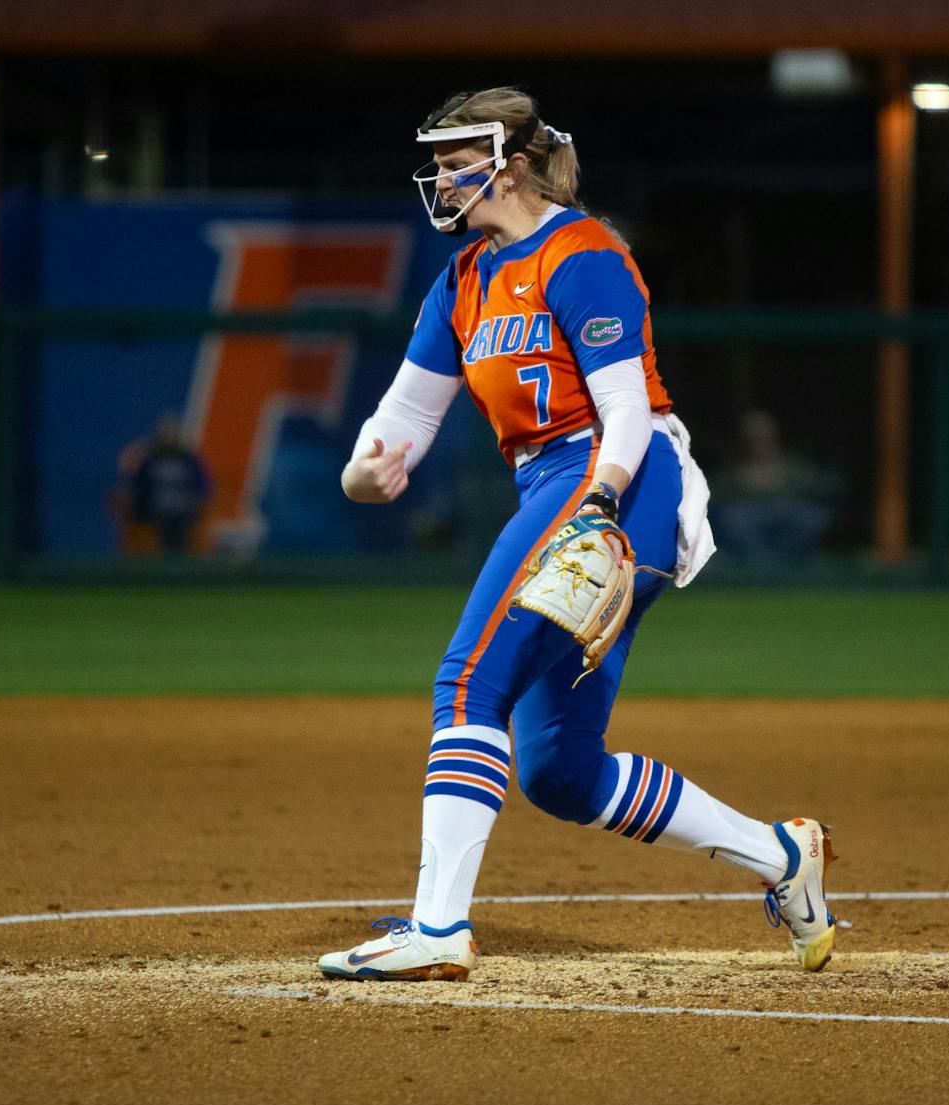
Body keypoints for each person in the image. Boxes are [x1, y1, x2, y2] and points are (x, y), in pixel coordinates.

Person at [318, 88, 838, 982]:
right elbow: (401, 417)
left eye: (456, 159)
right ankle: (783, 857)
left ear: (511, 164)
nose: (440, 177)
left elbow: (627, 408)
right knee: (559, 770)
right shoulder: (466, 278)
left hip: (614, 475)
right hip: (565, 481)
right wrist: (364, 472)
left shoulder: (582, 252)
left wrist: (600, 497)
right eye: (436, 161)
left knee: (469, 680)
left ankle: (438, 927)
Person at [709, 408, 843, 565]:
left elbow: (831, 485)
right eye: (754, 441)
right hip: (748, 518)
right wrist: (739, 485)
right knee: (733, 519)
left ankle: (782, 564)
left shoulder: (793, 467)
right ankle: (761, 566)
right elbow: (710, 495)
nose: (760, 446)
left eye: (765, 440)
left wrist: (786, 482)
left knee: (813, 517)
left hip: (787, 514)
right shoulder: (735, 472)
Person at [121, 414, 212, 555]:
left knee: (181, 526)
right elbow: (139, 487)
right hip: (155, 508)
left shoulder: (188, 460)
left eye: (172, 434)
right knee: (160, 526)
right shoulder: (151, 460)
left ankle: (178, 557)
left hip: (183, 509)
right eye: (166, 434)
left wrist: (196, 501)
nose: (169, 438)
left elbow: (202, 485)